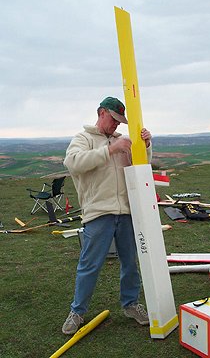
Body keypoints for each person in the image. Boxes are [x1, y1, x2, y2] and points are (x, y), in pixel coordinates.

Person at [62, 96, 152, 335]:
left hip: (126, 211)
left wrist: (146, 146)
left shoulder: (123, 141)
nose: (117, 126)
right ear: (101, 113)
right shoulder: (84, 138)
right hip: (98, 212)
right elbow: (72, 163)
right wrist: (110, 149)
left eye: (120, 122)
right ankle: (77, 311)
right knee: (90, 265)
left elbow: (141, 166)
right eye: (114, 119)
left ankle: (131, 304)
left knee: (130, 262)